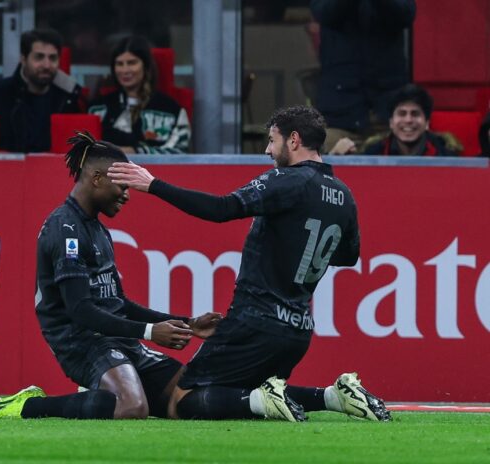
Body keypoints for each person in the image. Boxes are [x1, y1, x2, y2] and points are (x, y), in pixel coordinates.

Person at [107, 106, 391, 422]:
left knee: (182, 401)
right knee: (245, 393)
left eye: (272, 140)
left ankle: (267, 400)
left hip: (255, 320)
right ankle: (333, 396)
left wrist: (153, 185)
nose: (268, 150)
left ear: (294, 140)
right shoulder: (344, 194)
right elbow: (347, 256)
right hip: (298, 330)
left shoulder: (287, 180)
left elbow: (222, 208)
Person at [0, 132, 221, 420]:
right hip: (81, 341)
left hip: (116, 338)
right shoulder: (65, 229)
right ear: (97, 178)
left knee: (186, 400)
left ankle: (103, 394)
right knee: (131, 408)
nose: (127, 195)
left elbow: (118, 304)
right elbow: (81, 311)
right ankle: (29, 405)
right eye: (123, 186)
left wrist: (187, 323)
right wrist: (150, 332)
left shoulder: (98, 229)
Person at [311, 0, 416, 152]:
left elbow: (406, 13)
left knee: (397, 163)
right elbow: (324, 12)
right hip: (339, 117)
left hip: (386, 116)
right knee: (324, 159)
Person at [0, 29, 82, 154]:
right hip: (6, 165)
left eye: (52, 58)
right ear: (23, 59)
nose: (46, 65)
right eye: (39, 57)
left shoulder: (68, 97)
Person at [88, 36, 190, 154]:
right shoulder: (97, 108)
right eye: (119, 64)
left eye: (132, 63)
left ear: (145, 66)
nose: (125, 70)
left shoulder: (171, 109)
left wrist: (136, 152)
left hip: (152, 166)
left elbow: (180, 152)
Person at [362, 84, 460, 156]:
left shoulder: (445, 155)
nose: (408, 120)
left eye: (415, 114)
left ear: (427, 123)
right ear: (391, 122)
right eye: (402, 114)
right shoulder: (372, 154)